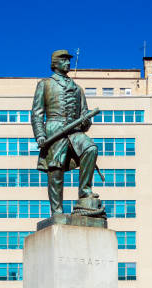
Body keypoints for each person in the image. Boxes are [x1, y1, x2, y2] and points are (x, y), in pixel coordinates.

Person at [31, 50, 101, 215]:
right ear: (55, 63)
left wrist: (85, 121)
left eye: (69, 60)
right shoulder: (45, 84)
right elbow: (37, 113)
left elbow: (85, 117)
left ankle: (85, 191)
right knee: (56, 168)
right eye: (64, 60)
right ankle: (57, 210)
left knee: (90, 149)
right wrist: (40, 135)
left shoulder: (78, 89)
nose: (68, 63)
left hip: (74, 131)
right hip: (54, 128)